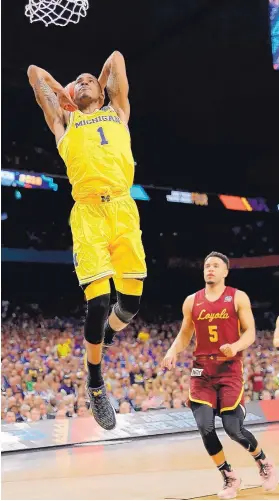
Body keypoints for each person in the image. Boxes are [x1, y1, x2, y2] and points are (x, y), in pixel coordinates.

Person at [27, 51, 147, 431]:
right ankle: (96, 383)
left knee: (130, 305)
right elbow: (34, 72)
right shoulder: (65, 120)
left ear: (102, 89)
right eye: (76, 81)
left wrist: (94, 78)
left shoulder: (118, 111)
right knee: (98, 303)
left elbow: (116, 58)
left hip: (124, 211)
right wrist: (65, 92)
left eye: (88, 81)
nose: (82, 82)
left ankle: (107, 335)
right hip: (89, 214)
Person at [162, 251, 277, 499]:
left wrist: (235, 346)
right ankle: (229, 475)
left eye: (215, 265)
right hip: (201, 370)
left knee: (233, 429)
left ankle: (264, 462)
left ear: (225, 271)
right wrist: (172, 351)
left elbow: (250, 333)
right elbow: (184, 335)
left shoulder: (237, 297)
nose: (210, 269)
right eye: (206, 265)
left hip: (229, 369)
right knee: (204, 426)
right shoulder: (192, 301)